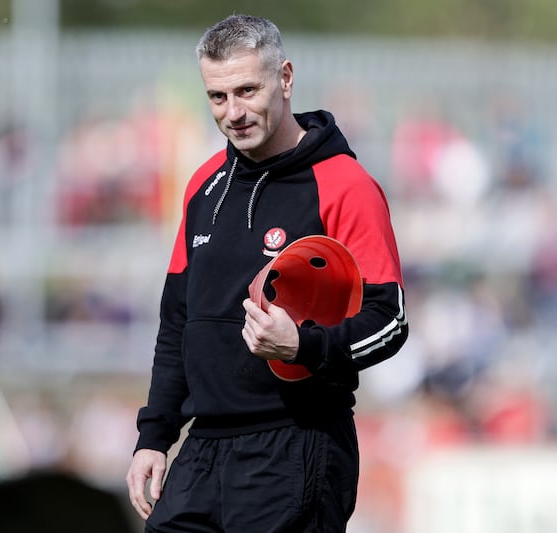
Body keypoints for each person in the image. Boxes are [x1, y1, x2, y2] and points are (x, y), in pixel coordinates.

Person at [126, 14, 408, 532]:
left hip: (296, 445)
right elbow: (177, 324)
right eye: (217, 97)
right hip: (204, 450)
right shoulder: (203, 186)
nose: (233, 112)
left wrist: (303, 346)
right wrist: (155, 435)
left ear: (285, 78)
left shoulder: (344, 185)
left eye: (247, 90)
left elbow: (390, 322)